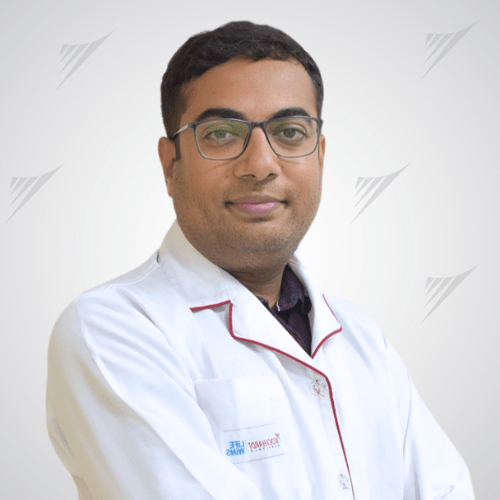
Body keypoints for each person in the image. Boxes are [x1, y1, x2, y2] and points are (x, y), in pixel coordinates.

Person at [47, 21, 475, 500]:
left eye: (290, 132)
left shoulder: (362, 338)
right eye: (221, 133)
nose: (261, 165)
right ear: (170, 165)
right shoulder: (111, 329)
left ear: (320, 155)